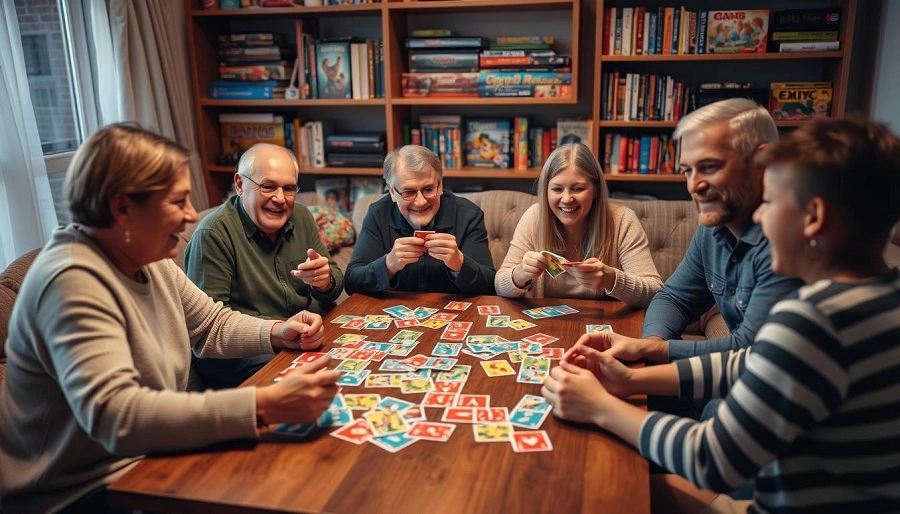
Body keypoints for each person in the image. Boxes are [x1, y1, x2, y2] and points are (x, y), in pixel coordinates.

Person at [542, 117, 900, 513]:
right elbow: (749, 361)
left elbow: (710, 460)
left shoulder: (813, 321)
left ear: (813, 218)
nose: (761, 218)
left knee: (611, 495)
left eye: (772, 202)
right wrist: (633, 378)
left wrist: (600, 406)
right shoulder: (879, 297)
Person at [0, 125, 341, 513]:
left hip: (151, 458)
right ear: (122, 208)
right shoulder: (70, 280)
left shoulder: (151, 259)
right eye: (177, 201)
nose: (192, 215)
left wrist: (278, 331)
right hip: (79, 494)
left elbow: (210, 325)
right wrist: (262, 404)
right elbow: (118, 416)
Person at [596, 98, 803, 365]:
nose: (694, 185)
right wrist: (652, 342)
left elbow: (750, 352)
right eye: (687, 171)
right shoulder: (713, 228)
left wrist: (654, 352)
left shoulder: (786, 241)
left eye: (709, 167)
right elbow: (673, 298)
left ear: (761, 162)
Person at [184, 143, 344, 388]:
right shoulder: (213, 234)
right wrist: (277, 333)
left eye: (289, 188)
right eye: (268, 187)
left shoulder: (301, 216)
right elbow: (208, 331)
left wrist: (325, 282)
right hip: (239, 353)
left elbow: (334, 285)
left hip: (293, 336)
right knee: (314, 385)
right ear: (239, 184)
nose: (280, 199)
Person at [495, 143, 662, 307]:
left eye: (577, 189)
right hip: (546, 325)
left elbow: (655, 292)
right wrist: (519, 275)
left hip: (607, 327)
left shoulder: (622, 219)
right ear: (545, 191)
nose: (567, 199)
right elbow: (500, 285)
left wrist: (611, 279)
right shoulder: (534, 217)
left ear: (596, 190)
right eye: (557, 189)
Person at [344, 145, 496, 295]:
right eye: (409, 192)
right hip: (395, 315)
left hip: (457, 315)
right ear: (391, 192)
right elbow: (351, 282)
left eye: (428, 189)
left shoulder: (468, 215)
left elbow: (490, 285)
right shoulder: (378, 213)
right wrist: (388, 265)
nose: (421, 202)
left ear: (440, 185)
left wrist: (460, 264)